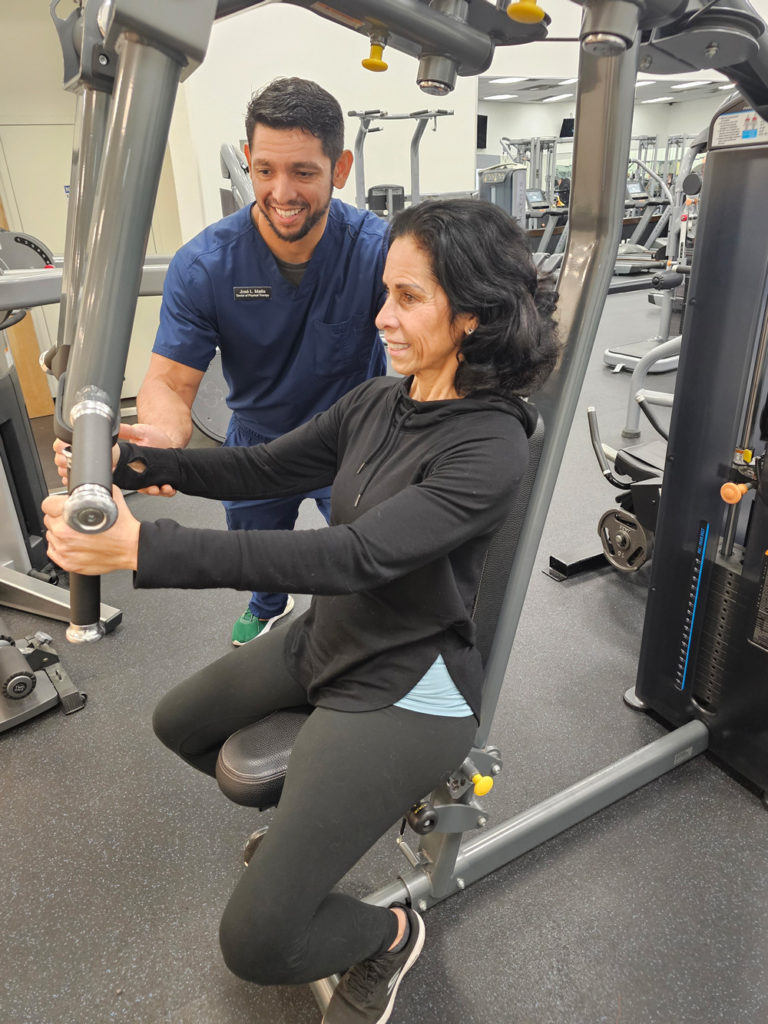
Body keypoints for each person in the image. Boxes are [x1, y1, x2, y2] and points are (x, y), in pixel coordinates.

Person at [44, 198, 559, 1024]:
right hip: (329, 638)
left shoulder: (491, 445)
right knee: (181, 724)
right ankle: (310, 840)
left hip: (408, 683)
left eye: (409, 298)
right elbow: (261, 468)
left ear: (473, 314)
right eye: (383, 293)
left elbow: (352, 557)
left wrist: (147, 549)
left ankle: (391, 936)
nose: (382, 317)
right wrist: (139, 465)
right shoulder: (378, 404)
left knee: (255, 944)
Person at [126, 77, 389, 645]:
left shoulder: (379, 250)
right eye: (265, 169)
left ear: (339, 168)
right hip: (259, 441)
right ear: (247, 160)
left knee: (369, 559)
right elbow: (170, 381)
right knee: (255, 551)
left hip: (352, 441)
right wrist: (161, 441)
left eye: (303, 172)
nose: (281, 192)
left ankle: (362, 627)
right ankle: (269, 603)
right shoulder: (204, 265)